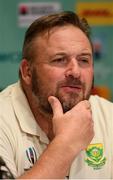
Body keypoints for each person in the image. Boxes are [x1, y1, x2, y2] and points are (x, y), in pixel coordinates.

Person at [0, 11, 113, 179]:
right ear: (27, 72)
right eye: (60, 59)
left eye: (83, 60)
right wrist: (66, 144)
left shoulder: (108, 116)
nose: (75, 72)